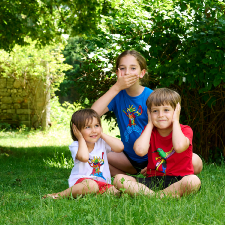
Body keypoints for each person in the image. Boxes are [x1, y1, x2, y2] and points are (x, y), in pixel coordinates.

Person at [91, 50, 203, 177]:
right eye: (122, 68)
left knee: (196, 162)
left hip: (157, 155)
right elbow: (91, 115)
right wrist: (116, 87)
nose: (127, 72)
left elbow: (168, 127)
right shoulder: (116, 95)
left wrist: (155, 163)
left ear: (142, 73)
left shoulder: (152, 97)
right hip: (129, 157)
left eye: (133, 68)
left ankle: (156, 171)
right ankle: (131, 179)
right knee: (97, 155)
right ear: (117, 73)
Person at [113, 88, 201, 198]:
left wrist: (176, 122)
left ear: (176, 111)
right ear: (149, 112)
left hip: (179, 179)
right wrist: (150, 124)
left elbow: (179, 147)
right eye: (155, 111)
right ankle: (158, 196)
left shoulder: (185, 130)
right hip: (153, 180)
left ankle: (155, 196)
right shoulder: (150, 131)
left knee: (194, 181)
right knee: (119, 179)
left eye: (166, 110)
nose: (160, 115)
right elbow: (140, 151)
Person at [43, 108, 124, 199]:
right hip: (82, 182)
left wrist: (101, 134)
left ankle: (92, 195)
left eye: (96, 125)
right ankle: (58, 195)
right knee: (91, 186)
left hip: (103, 183)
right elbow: (84, 157)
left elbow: (120, 147)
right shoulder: (76, 145)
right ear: (77, 130)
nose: (93, 130)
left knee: (115, 192)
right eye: (88, 127)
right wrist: (81, 138)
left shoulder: (102, 143)